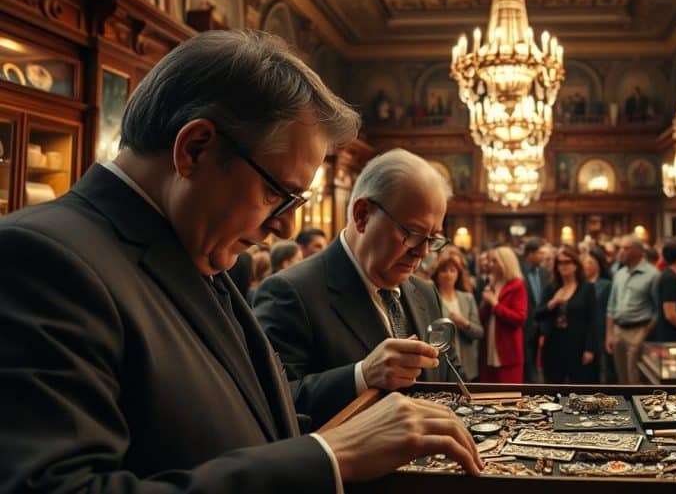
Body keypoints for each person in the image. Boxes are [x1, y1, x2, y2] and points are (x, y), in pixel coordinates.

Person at [0, 30, 482, 493]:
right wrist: (327, 458)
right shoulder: (42, 259)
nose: (286, 227)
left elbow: (257, 423)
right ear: (195, 149)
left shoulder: (199, 254)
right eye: (276, 192)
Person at [253, 149, 462, 421]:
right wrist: (361, 375)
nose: (423, 253)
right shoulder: (289, 292)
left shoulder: (424, 292)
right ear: (362, 215)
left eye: (432, 239)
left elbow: (452, 378)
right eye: (412, 234)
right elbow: (268, 405)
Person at [535, 246, 599, 383]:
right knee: (553, 385)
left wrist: (590, 348)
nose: (564, 266)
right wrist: (553, 303)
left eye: (567, 262)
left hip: (578, 344)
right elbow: (537, 315)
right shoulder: (551, 287)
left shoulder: (587, 288)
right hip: (553, 344)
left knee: (579, 385)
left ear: (575, 264)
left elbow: (592, 320)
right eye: (560, 262)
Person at [604, 235, 659, 384]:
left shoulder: (652, 274)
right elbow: (611, 305)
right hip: (618, 330)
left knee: (634, 377)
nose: (621, 252)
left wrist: (646, 331)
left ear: (639, 251)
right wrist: (609, 334)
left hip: (639, 329)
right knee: (621, 378)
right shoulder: (619, 274)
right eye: (620, 248)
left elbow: (658, 309)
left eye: (626, 248)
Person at [479, 246, 528, 383]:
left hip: (508, 349)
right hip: (489, 346)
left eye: (495, 261)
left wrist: (495, 304)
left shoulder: (517, 285)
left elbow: (519, 318)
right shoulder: (492, 283)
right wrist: (485, 303)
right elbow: (483, 318)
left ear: (506, 262)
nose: (490, 264)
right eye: (490, 261)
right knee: (490, 393)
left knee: (509, 394)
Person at [431, 253, 484, 381]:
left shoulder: (467, 298)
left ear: (458, 274)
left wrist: (465, 323)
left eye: (452, 271)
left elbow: (479, 333)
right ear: (437, 274)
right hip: (441, 364)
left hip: (467, 364)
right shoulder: (431, 298)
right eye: (443, 271)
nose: (448, 275)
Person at [519, 237, 550, 383]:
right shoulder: (519, 271)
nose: (543, 256)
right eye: (540, 253)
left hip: (542, 323)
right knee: (527, 362)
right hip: (526, 324)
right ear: (530, 254)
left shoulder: (544, 272)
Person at [582, 248, 615, 382]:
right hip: (584, 330)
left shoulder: (606, 285)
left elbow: (608, 310)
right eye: (585, 262)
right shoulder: (581, 285)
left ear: (598, 264)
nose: (586, 265)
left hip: (600, 329)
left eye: (590, 262)